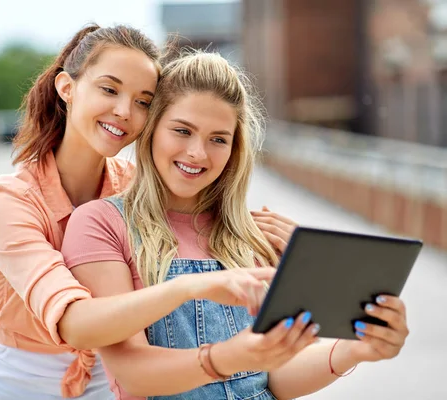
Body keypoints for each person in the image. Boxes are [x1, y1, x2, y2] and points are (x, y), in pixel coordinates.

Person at [60, 51, 411, 399]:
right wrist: (229, 357)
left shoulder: (253, 236)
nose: (198, 152)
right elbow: (133, 376)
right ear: (151, 130)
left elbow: (274, 379)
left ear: (234, 148)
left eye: (218, 139)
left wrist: (356, 350)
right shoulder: (100, 224)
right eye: (182, 130)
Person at [0, 25, 296, 400]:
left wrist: (261, 240)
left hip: (113, 383)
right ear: (67, 88)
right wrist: (192, 287)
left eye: (143, 101)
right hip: (26, 385)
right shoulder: (12, 201)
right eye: (109, 89)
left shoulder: (134, 187)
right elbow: (75, 323)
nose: (124, 111)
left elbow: (198, 222)